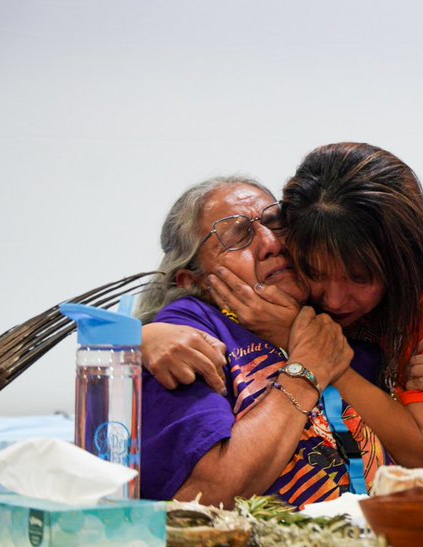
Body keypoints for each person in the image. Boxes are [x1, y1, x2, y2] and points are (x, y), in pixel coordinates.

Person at [144, 143, 423, 483]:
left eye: (360, 277)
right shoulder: (270, 272)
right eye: (316, 271)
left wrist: (297, 338)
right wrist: (139, 337)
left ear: (398, 265)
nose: (334, 301)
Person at [136, 177, 398, 506]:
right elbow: (206, 495)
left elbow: (419, 462)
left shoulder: (340, 311)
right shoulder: (189, 328)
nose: (272, 243)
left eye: (276, 222)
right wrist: (308, 368)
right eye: (239, 236)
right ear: (195, 281)